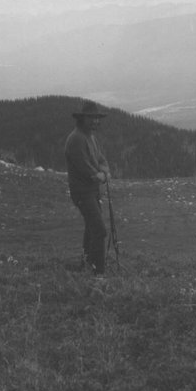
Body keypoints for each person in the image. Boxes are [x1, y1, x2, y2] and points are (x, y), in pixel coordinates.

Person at [65, 100, 111, 278]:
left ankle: (86, 263)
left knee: (92, 228)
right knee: (99, 230)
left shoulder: (90, 137)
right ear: (82, 119)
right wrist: (99, 175)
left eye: (97, 118)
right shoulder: (76, 139)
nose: (95, 122)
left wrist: (105, 171)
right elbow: (85, 167)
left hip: (92, 191)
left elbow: (101, 160)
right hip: (83, 192)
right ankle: (97, 274)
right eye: (92, 118)